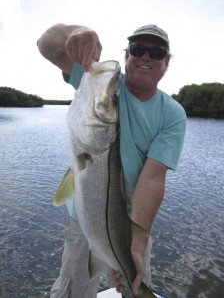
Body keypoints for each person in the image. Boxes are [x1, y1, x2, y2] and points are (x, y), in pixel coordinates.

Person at [37, 23, 186, 298]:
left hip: (134, 223)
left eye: (156, 53)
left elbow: (152, 178)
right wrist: (73, 33)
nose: (145, 57)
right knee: (73, 291)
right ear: (126, 55)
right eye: (138, 49)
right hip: (83, 219)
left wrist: (138, 245)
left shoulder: (172, 114)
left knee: (135, 281)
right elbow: (46, 44)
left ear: (167, 63)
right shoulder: (103, 84)